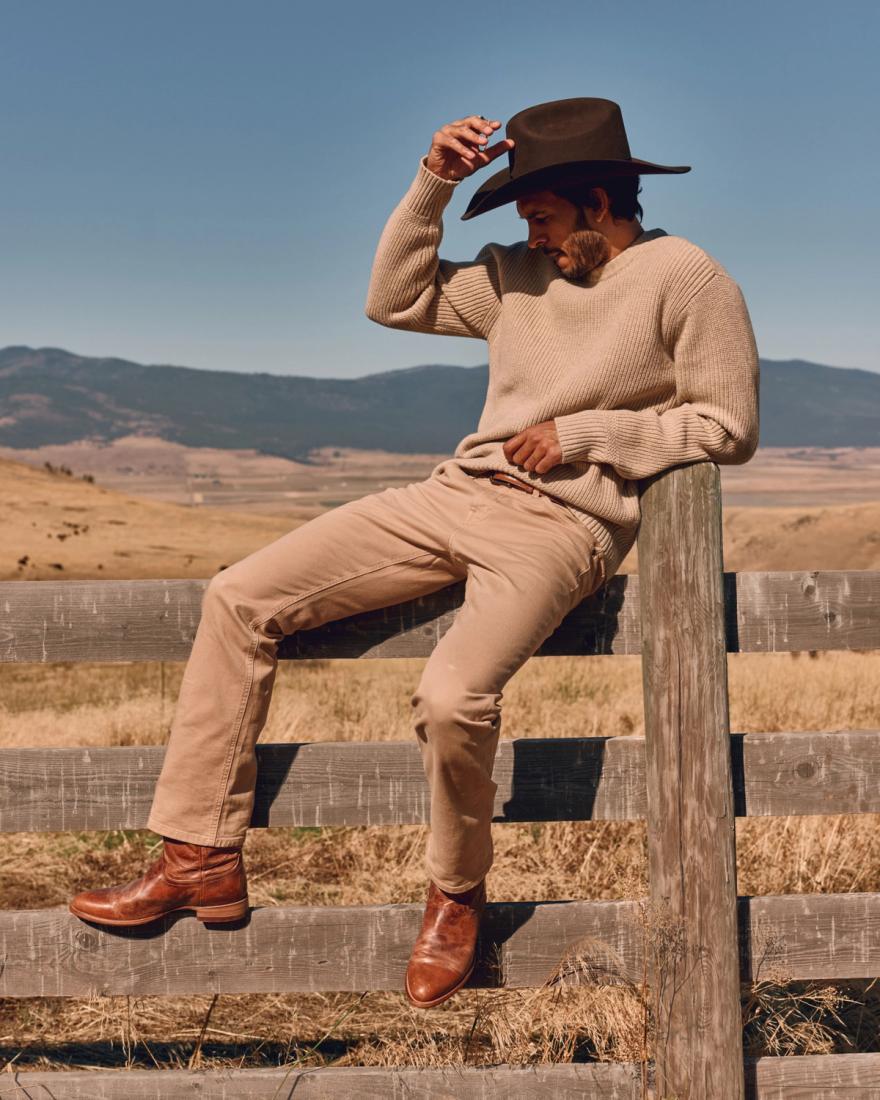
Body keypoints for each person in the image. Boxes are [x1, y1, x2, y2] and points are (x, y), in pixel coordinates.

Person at [68, 97, 759, 1011]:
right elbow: (392, 299)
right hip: (452, 494)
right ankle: (199, 857)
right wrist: (434, 183)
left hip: (565, 525)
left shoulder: (688, 276)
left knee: (451, 695)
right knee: (238, 597)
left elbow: (727, 422)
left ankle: (455, 894)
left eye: (543, 214)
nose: (531, 233)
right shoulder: (513, 274)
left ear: (599, 200)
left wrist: (585, 433)